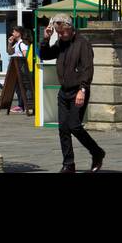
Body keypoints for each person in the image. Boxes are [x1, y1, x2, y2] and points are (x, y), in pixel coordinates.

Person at [40, 14, 106, 173]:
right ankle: (68, 164)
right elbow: (45, 55)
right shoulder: (61, 43)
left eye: (63, 32)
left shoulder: (83, 44)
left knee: (74, 126)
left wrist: (82, 89)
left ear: (70, 28)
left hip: (78, 90)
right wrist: (46, 39)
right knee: (63, 127)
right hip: (64, 92)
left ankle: (96, 152)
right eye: (58, 32)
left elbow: (87, 68)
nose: (61, 35)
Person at [7, 26, 32, 114]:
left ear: (19, 33)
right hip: (17, 70)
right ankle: (21, 105)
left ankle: (26, 105)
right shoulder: (17, 43)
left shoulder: (22, 44)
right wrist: (10, 43)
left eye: (14, 31)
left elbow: (25, 56)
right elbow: (10, 52)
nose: (12, 33)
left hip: (22, 69)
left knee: (24, 87)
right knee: (18, 88)